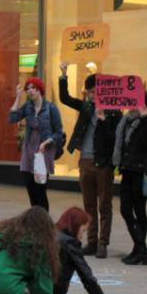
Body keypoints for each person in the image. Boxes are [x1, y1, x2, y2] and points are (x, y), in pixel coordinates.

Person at [58, 62, 120, 258]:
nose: (93, 96)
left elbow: (115, 138)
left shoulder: (114, 112)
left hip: (103, 163)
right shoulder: (85, 107)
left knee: (105, 205)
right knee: (89, 204)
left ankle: (103, 243)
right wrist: (63, 75)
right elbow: (64, 98)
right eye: (91, 92)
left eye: (96, 92)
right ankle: (92, 241)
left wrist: (103, 120)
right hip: (85, 160)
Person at [112, 92, 147, 265]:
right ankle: (141, 249)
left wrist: (145, 119)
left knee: (139, 211)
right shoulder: (127, 120)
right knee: (125, 209)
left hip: (141, 172)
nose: (131, 106)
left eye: (134, 103)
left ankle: (139, 250)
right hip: (127, 169)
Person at [8, 77, 64, 212]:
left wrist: (46, 142)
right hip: (28, 153)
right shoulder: (28, 107)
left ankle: (44, 223)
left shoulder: (51, 108)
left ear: (40, 90)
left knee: (40, 191)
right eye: (28, 89)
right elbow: (12, 118)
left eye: (33, 88)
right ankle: (35, 222)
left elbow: (59, 132)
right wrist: (18, 97)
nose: (30, 91)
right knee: (31, 191)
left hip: (43, 154)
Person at [54, 207, 108, 294]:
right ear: (75, 226)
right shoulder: (70, 245)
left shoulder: (48, 234)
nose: (82, 236)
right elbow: (88, 278)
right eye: (83, 230)